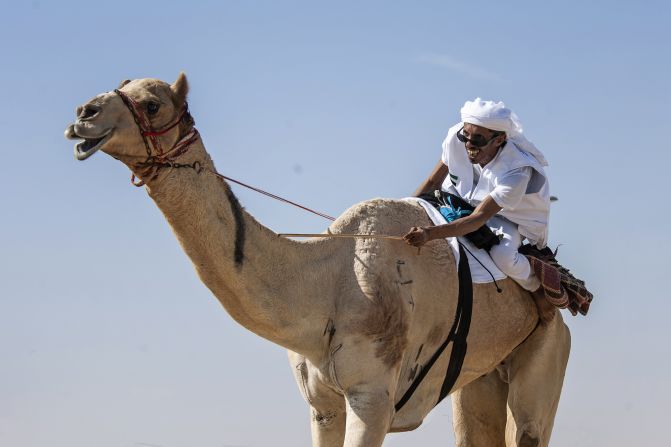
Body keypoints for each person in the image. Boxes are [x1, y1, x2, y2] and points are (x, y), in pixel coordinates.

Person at [403, 98, 555, 323]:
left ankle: (537, 291)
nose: (469, 144)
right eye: (466, 135)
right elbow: (433, 181)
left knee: (503, 256)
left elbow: (479, 219)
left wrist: (429, 234)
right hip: (456, 199)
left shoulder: (517, 172)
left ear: (500, 139)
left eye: (478, 139)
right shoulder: (457, 137)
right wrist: (406, 210)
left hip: (505, 217)